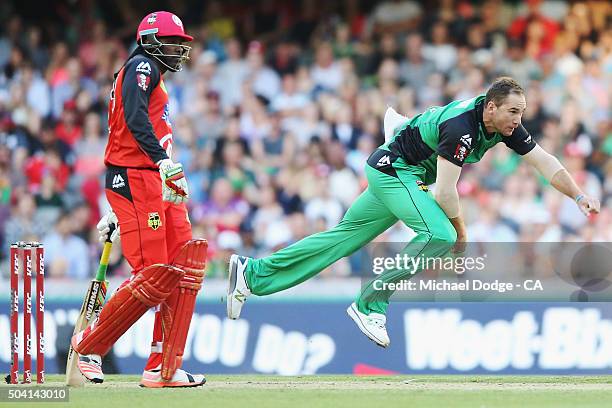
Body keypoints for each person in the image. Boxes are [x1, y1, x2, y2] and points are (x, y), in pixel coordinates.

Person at [227, 77, 600, 348]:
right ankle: (369, 304)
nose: (519, 120)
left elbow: (546, 162)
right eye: (514, 112)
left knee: (337, 242)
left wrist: (579, 195)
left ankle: (251, 274)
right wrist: (463, 233)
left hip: (393, 171)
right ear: (491, 107)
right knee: (441, 234)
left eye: (522, 112)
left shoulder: (504, 126)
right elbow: (444, 192)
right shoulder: (463, 129)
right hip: (395, 172)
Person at [70, 11, 208, 388]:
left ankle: (162, 366)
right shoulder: (141, 65)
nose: (179, 50)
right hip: (137, 178)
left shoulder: (153, 72)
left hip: (156, 181)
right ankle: (90, 346)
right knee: (154, 275)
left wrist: (163, 170)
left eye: (182, 44)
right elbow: (132, 118)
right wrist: (162, 163)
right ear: (149, 40)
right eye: (173, 43)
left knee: (185, 268)